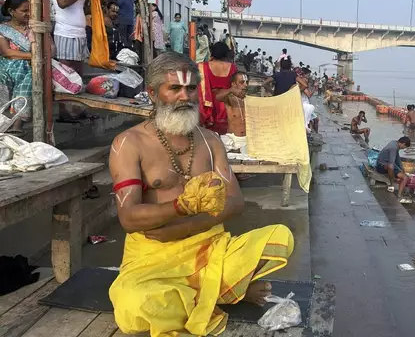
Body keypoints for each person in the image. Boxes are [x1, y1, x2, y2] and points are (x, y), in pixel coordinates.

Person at [108, 52, 293, 336]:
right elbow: (129, 217)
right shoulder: (128, 143)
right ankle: (221, 291)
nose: (185, 96)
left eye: (191, 88)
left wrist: (188, 224)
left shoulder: (211, 141)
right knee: (134, 306)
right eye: (174, 88)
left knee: (280, 236)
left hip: (209, 246)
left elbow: (235, 202)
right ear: (153, 93)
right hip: (154, 257)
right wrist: (181, 206)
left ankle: (207, 291)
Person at [0, 0, 32, 136]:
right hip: (8, 63)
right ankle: (5, 118)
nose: (28, 13)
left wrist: (33, 59)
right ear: (12, 11)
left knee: (27, 75)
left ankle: (17, 121)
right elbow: (7, 52)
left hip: (29, 66)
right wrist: (33, 56)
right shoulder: (3, 29)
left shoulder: (33, 28)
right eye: (24, 10)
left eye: (30, 10)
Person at [198, 42, 237, 135]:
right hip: (226, 105)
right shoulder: (232, 67)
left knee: (207, 135)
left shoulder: (202, 66)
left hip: (208, 104)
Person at [376, 136, 412, 203]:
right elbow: (391, 164)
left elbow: (397, 158)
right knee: (405, 177)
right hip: (381, 166)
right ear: (403, 144)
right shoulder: (393, 148)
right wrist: (394, 179)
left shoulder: (394, 142)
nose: (403, 148)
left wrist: (401, 169)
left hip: (381, 163)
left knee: (400, 173)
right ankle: (398, 195)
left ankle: (394, 181)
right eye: (404, 147)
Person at [221, 71, 248, 137]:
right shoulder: (228, 99)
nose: (246, 85)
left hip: (247, 139)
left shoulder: (249, 99)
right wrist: (230, 90)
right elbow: (215, 98)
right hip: (232, 140)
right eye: (242, 82)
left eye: (247, 82)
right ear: (233, 84)